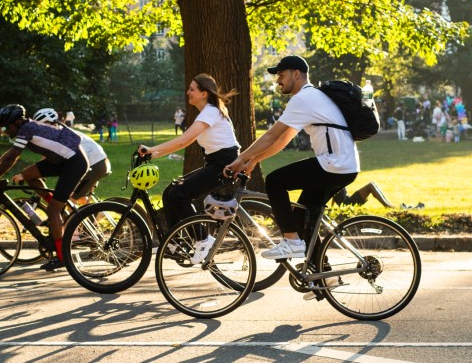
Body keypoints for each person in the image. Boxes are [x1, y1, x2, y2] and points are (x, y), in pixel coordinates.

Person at [225, 55, 359, 262]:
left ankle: (292, 242)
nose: (277, 80)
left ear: (296, 74)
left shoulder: (303, 98)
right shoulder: (311, 97)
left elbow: (271, 134)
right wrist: (254, 160)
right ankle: (324, 275)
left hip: (334, 163)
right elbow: (282, 139)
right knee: (303, 219)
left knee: (275, 181)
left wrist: (240, 158)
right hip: (343, 165)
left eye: (281, 74)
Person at [138, 73, 240, 264]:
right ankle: (174, 242)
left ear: (204, 93)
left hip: (224, 164)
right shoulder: (207, 113)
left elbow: (183, 140)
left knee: (179, 193)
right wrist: (154, 154)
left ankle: (202, 238)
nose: (188, 92)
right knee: (170, 192)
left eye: (192, 89)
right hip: (215, 162)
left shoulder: (211, 111)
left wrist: (153, 149)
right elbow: (188, 141)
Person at [0, 104, 89, 271]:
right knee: (28, 174)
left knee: (52, 211)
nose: (6, 131)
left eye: (7, 127)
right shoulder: (26, 127)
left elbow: (11, 158)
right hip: (62, 159)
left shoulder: (26, 129)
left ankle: (62, 256)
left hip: (74, 162)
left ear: (18, 122)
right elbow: (8, 155)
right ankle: (56, 207)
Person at [21, 108, 111, 206]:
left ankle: (94, 214)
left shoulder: (57, 135)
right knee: (75, 198)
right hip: (98, 162)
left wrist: (29, 174)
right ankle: (94, 213)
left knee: (66, 202)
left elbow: (47, 158)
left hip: (95, 164)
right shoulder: (61, 130)